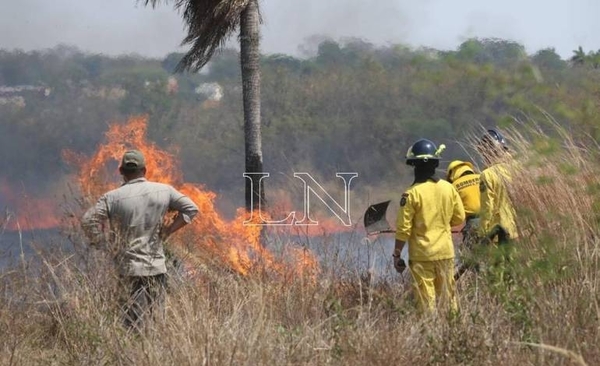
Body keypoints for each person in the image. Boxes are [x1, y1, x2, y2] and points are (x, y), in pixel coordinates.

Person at [82, 149, 199, 331]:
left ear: (121, 171)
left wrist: (104, 245)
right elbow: (191, 209)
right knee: (157, 317)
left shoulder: (111, 198)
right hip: (156, 266)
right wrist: (168, 231)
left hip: (127, 268)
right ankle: (156, 353)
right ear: (144, 170)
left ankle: (133, 354)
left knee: (131, 320)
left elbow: (88, 221)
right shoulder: (163, 190)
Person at [393, 139, 465, 314]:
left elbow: (403, 229)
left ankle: (431, 335)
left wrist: (396, 254)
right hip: (445, 254)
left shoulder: (411, 194)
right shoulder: (449, 189)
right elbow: (459, 217)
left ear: (414, 166)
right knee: (450, 299)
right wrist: (440, 223)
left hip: (421, 256)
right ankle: (455, 332)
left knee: (427, 302)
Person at [477, 129, 518, 245]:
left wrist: (483, 234)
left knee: (499, 263)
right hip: (518, 230)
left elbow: (487, 207)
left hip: (497, 234)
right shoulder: (518, 169)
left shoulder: (487, 175)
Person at [446, 160, 481, 248]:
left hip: (473, 223)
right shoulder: (481, 177)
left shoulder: (454, 186)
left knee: (471, 254)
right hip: (492, 220)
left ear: (452, 173)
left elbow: (452, 211)